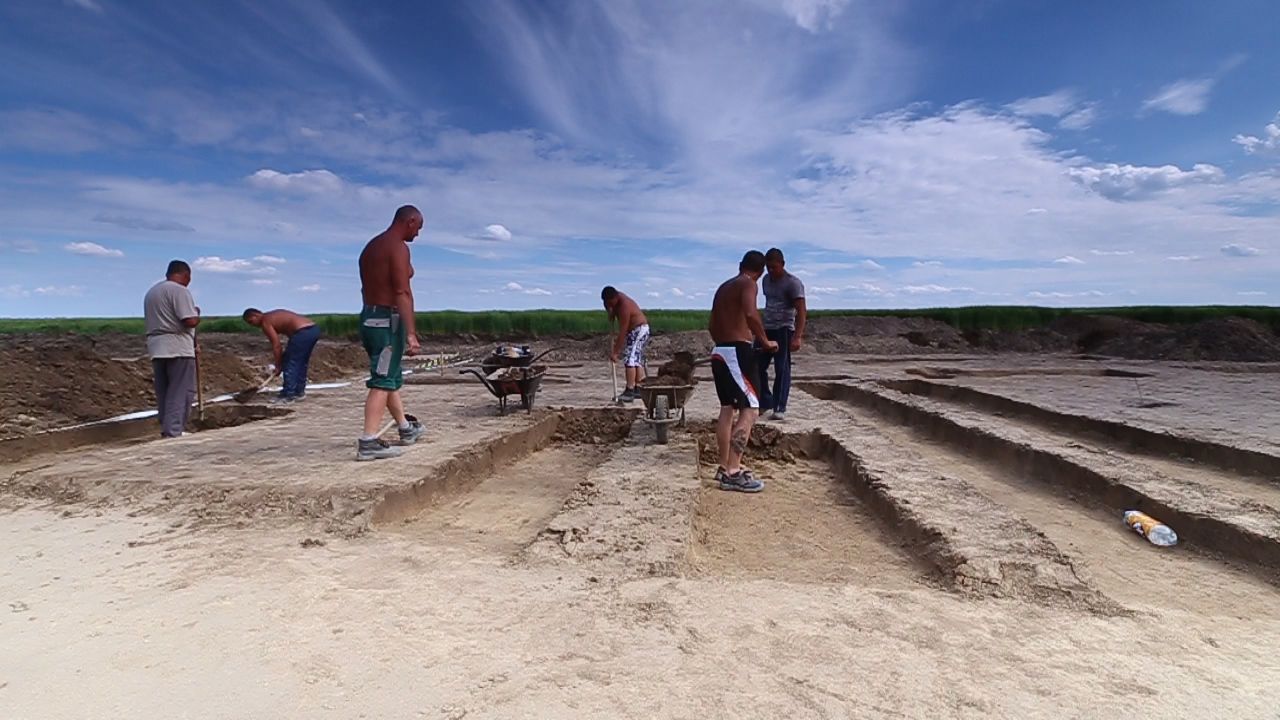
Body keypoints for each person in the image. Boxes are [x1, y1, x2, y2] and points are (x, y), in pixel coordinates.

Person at [354, 205, 427, 461]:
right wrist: (410, 333)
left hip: (370, 316)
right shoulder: (397, 247)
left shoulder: (372, 247)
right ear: (409, 221)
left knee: (390, 377)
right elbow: (401, 292)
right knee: (381, 381)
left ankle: (405, 429)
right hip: (387, 322)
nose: (417, 235)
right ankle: (368, 441)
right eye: (418, 228)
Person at [708, 250, 778, 493]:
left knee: (728, 408)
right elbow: (750, 313)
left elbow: (711, 323)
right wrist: (765, 340)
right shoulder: (748, 284)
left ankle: (723, 465)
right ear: (761, 272)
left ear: (740, 264)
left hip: (719, 352)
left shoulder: (724, 287)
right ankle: (734, 472)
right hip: (736, 352)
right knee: (751, 409)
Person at [143, 260, 200, 438]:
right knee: (181, 390)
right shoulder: (179, 291)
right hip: (177, 346)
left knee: (165, 390)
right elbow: (188, 320)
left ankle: (167, 426)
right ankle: (174, 430)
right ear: (186, 275)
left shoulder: (152, 292)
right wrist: (197, 314)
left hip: (157, 346)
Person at [757, 248, 806, 421]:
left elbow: (801, 311)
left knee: (782, 368)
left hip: (784, 329)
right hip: (766, 328)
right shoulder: (765, 281)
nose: (771, 270)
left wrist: (797, 336)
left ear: (782, 264)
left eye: (774, 267)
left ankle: (779, 406)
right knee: (757, 365)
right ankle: (765, 400)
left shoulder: (793, 283)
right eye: (768, 267)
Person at [241, 308, 321, 402]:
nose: (252, 325)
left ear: (256, 315)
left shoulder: (265, 321)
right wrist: (283, 358)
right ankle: (298, 392)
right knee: (301, 363)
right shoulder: (272, 316)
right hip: (313, 330)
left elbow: (277, 345)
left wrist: (278, 365)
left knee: (291, 364)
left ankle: (288, 395)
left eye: (251, 321)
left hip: (302, 332)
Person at [601, 286, 650, 401]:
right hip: (634, 331)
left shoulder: (624, 306)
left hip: (639, 329)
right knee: (635, 359)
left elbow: (622, 331)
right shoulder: (612, 300)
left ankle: (630, 390)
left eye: (610, 303)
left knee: (630, 358)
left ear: (615, 297)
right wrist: (610, 313)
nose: (609, 305)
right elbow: (607, 305)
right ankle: (639, 388)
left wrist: (615, 352)